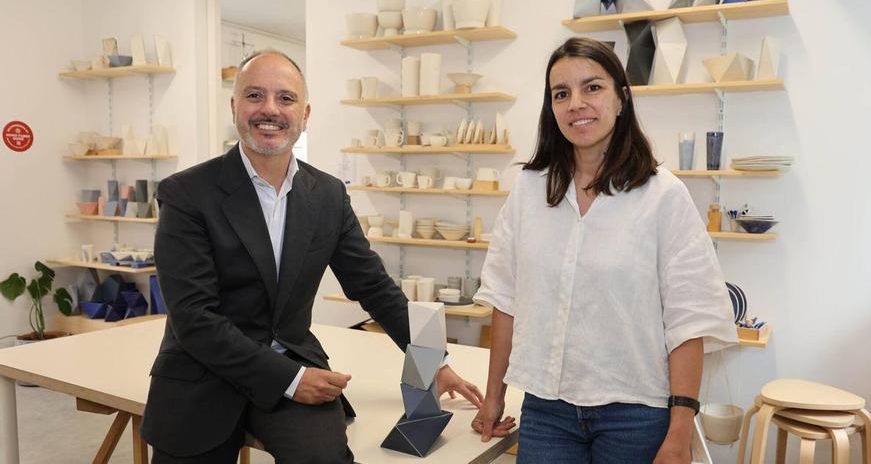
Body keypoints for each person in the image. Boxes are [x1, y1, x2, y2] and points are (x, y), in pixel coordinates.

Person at [141, 49, 483, 464]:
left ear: (305, 114)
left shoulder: (328, 195)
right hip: (203, 372)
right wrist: (291, 379)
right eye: (254, 95)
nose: (270, 109)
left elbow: (374, 286)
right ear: (234, 107)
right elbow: (193, 317)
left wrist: (434, 363)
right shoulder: (186, 193)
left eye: (285, 98)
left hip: (293, 363)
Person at [471, 37, 738, 463]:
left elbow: (689, 319)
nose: (576, 103)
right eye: (561, 93)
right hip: (546, 409)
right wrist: (493, 397)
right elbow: (505, 299)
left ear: (621, 99)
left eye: (592, 87)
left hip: (636, 414)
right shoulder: (529, 191)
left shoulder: (663, 196)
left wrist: (680, 430)